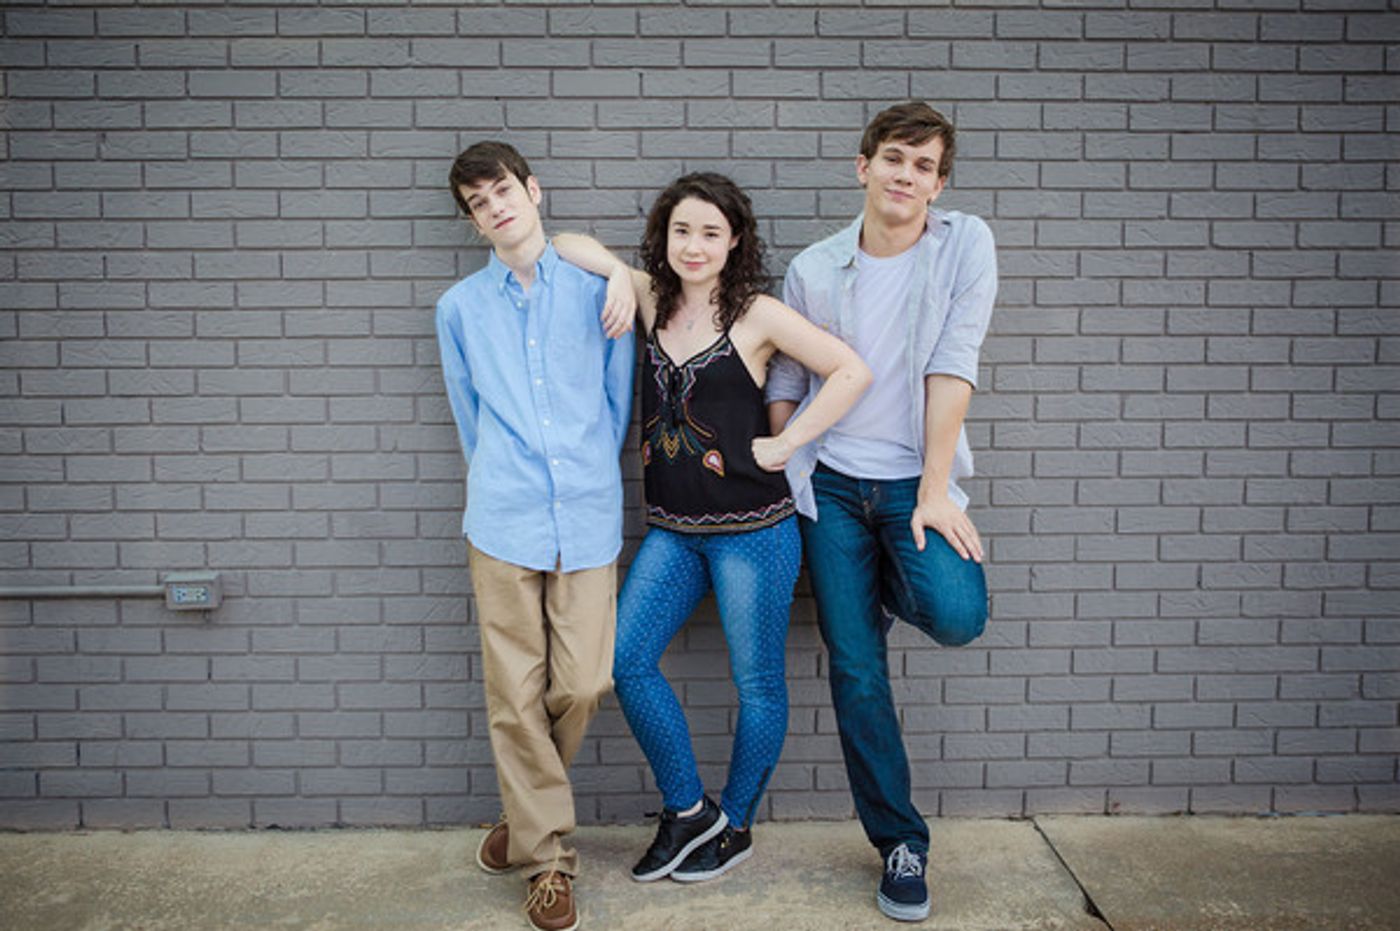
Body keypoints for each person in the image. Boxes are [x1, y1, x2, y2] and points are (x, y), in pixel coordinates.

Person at [554, 173, 870, 884]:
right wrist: (613, 271)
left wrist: (788, 446)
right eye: (680, 231)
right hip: (672, 530)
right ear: (663, 239)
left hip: (754, 530)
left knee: (757, 683)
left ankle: (738, 823)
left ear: (734, 242)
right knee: (625, 660)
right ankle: (688, 809)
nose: (693, 246)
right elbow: (560, 243)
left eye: (710, 233)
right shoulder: (648, 297)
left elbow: (850, 372)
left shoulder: (756, 314)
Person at [765, 102, 996, 922]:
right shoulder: (813, 269)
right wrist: (780, 455)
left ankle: (885, 578)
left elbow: (953, 362)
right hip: (830, 488)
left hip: (911, 483)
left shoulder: (964, 245)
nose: (907, 176)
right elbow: (789, 380)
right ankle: (900, 841)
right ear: (862, 167)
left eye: (925, 166)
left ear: (940, 183)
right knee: (856, 667)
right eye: (895, 158)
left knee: (958, 611)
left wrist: (934, 490)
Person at [435, 140, 634, 931]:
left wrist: (619, 268)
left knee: (584, 681)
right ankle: (548, 859)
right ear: (474, 221)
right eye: (479, 203)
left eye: (504, 190)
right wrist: (502, 483)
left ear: (534, 191)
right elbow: (467, 418)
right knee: (514, 697)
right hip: (503, 518)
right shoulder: (458, 310)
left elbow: (618, 406)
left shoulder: (595, 288)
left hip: (586, 512)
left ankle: (521, 818)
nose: (496, 207)